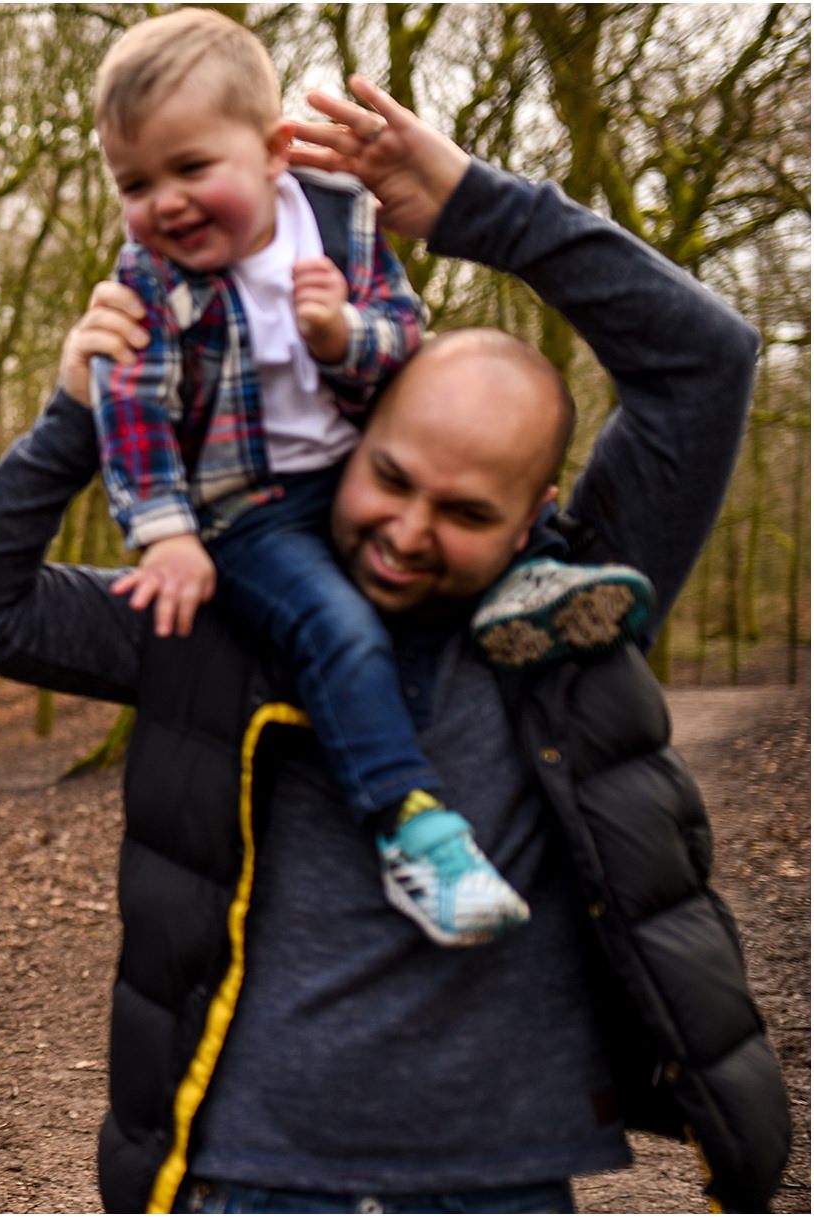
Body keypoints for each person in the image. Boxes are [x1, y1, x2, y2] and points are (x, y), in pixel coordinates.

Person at [0, 75, 789, 1214]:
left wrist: (477, 206)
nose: (407, 534)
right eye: (390, 478)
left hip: (501, 1165)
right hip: (255, 1163)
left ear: (531, 519)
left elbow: (705, 358)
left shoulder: (572, 601)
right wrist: (81, 413)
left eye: (465, 515)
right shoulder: (215, 608)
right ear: (353, 432)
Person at [88, 7, 656, 948]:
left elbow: (406, 339)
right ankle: (416, 833)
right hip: (250, 512)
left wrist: (341, 335)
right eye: (135, 183)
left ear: (273, 151)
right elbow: (134, 409)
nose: (166, 203)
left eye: (192, 169)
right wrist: (167, 533)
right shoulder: (148, 275)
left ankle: (536, 582)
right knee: (339, 628)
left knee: (471, 463)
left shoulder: (340, 217)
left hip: (358, 472)